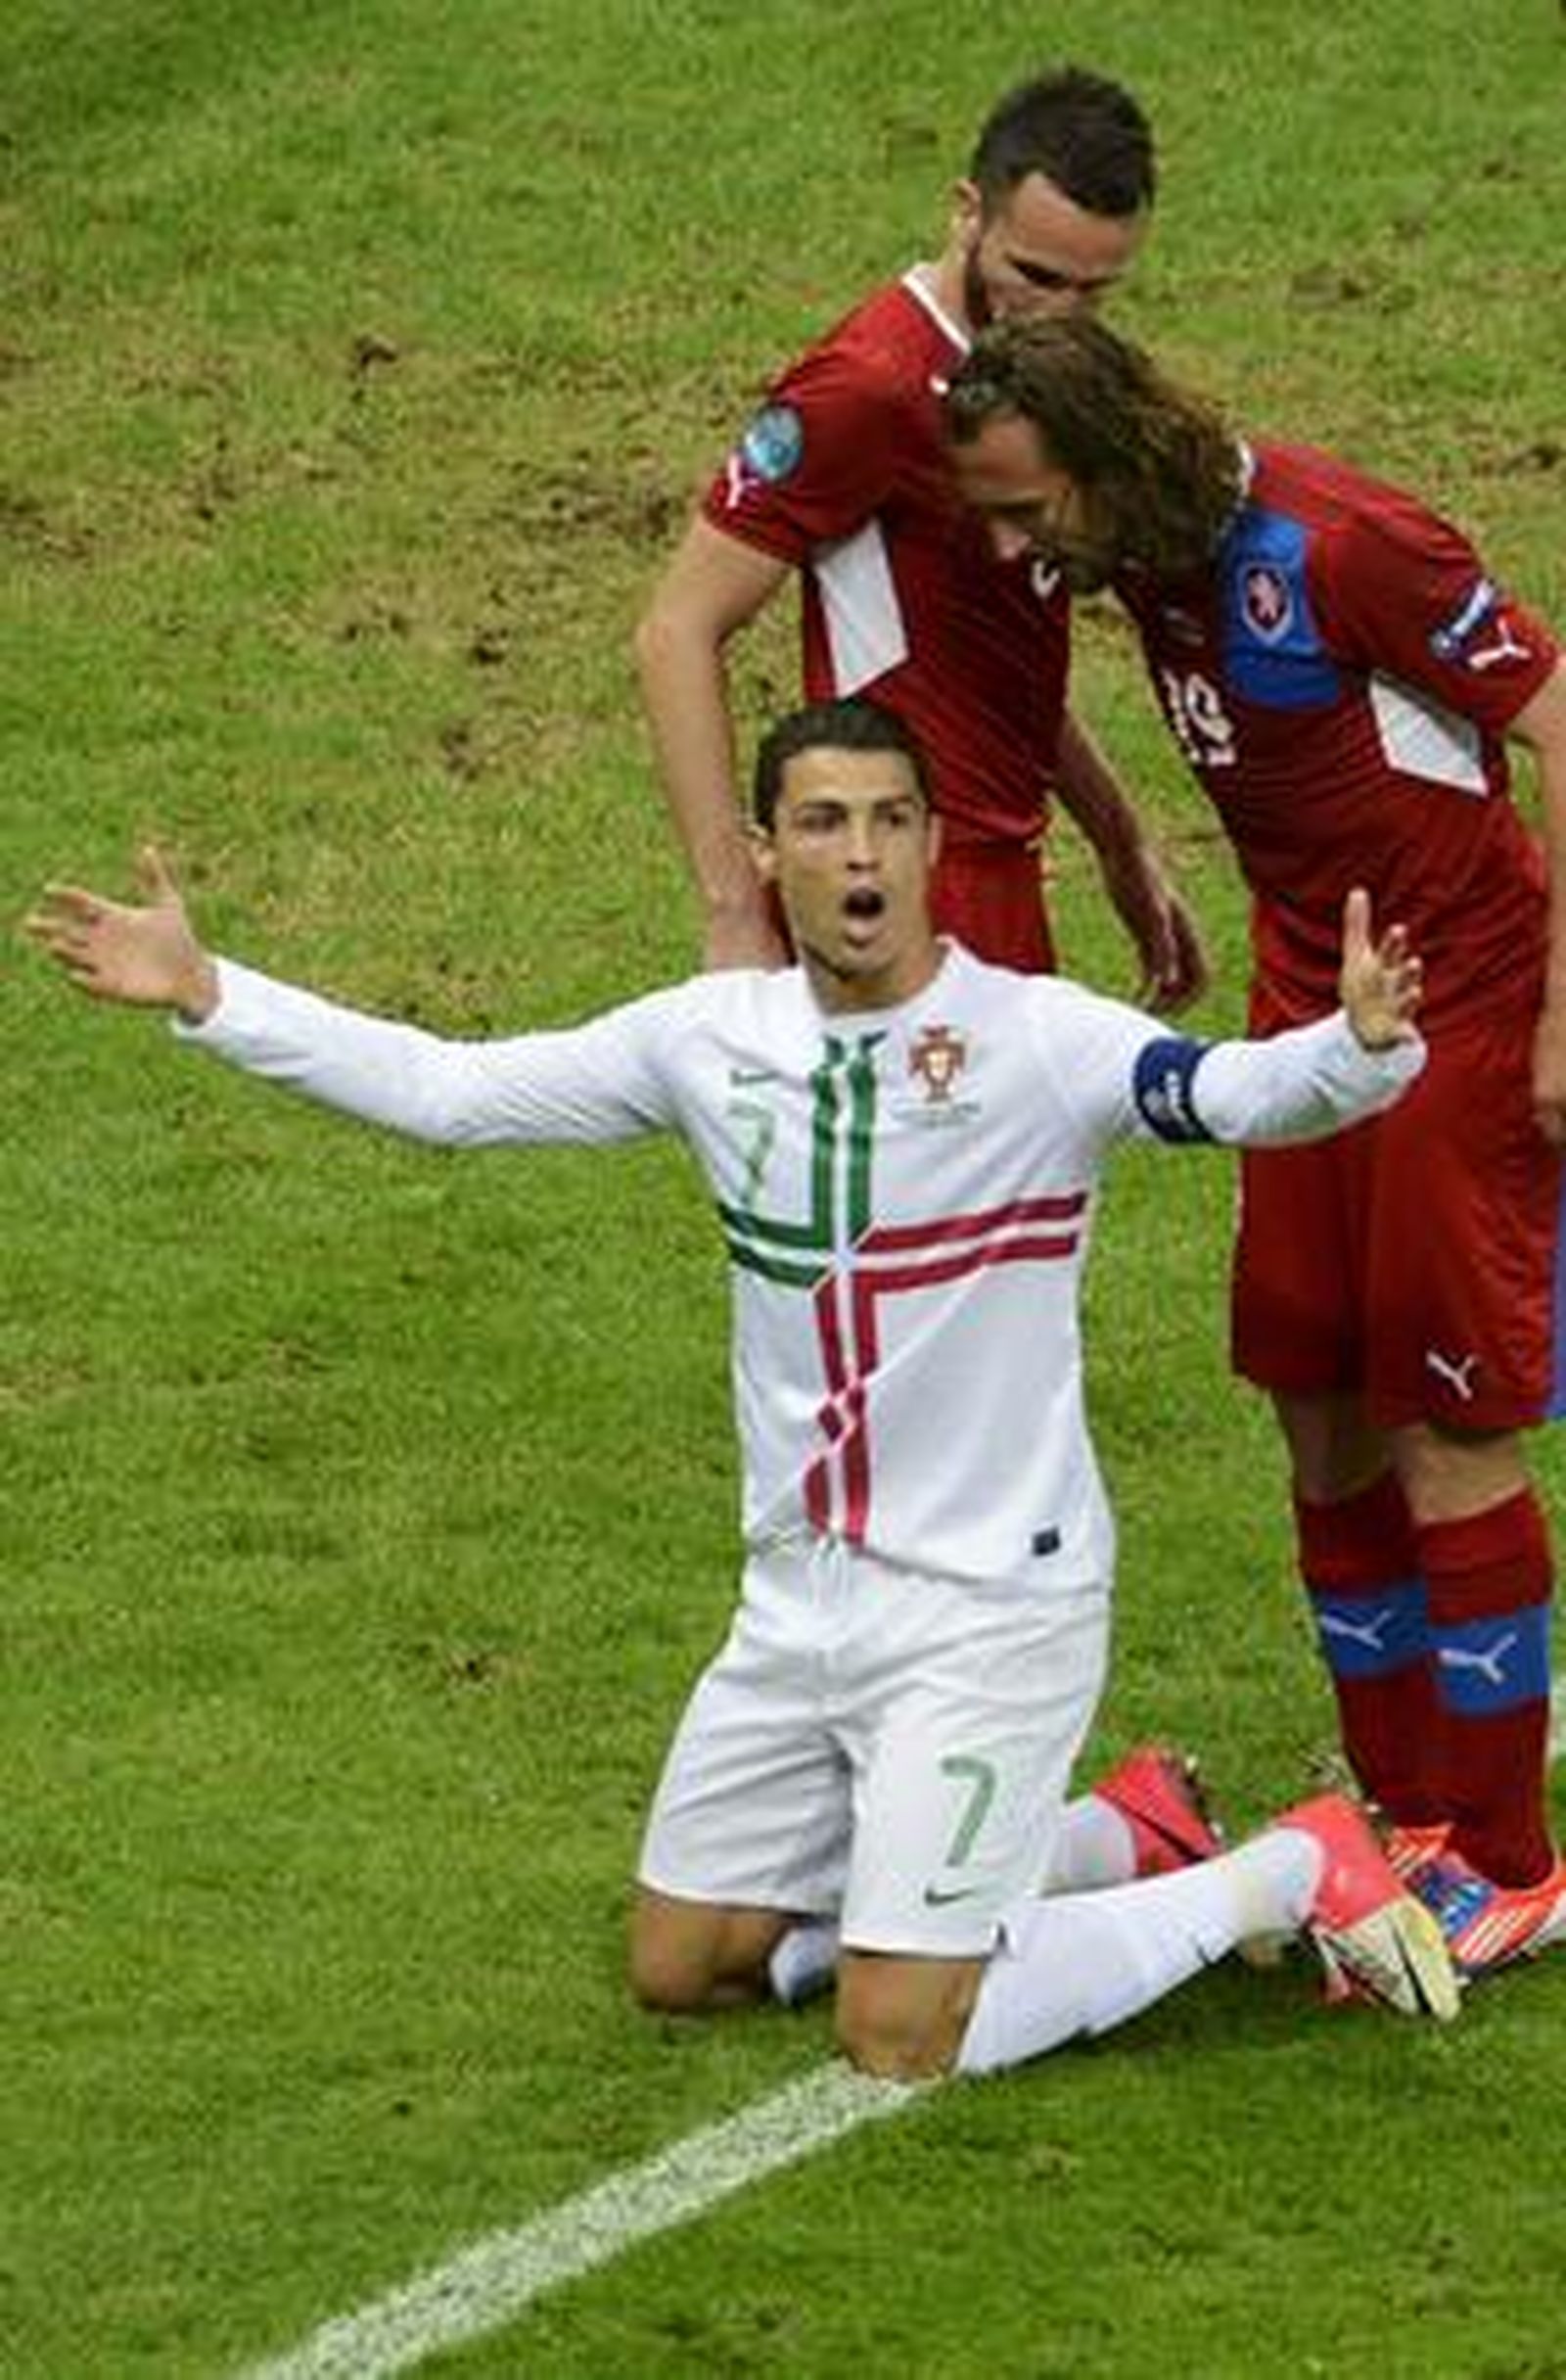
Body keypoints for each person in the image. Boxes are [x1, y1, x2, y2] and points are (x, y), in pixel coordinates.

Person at [25, 697, 1457, 2075]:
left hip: (988, 1612)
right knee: (685, 1963)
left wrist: (1357, 1049)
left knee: (904, 2036)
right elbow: (454, 1093)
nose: (861, 855)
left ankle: (1282, 1868)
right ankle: (1114, 1832)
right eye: (824, 823)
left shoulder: (1034, 1040)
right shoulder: (712, 1043)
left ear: (932, 844)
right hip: (796, 1606)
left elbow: (1226, 1091)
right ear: (767, 854)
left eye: (891, 821)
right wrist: (215, 993)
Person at [944, 313, 1566, 1980]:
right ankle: (1411, 1807)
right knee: (1318, 1400)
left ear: (1111, 453)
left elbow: (1560, 716)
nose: (1017, 548)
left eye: (1025, 509)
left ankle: (1511, 1859)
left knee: (1446, 1419)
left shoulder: (1349, 545)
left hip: (1464, 1005)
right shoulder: (1151, 558)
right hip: (1312, 1018)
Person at [634, 65, 1204, 1003]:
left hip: (996, 871)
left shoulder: (1033, 390)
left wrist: (1118, 834)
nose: (1058, 313)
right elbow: (674, 633)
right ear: (967, 212)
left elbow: (991, 649)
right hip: (902, 881)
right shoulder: (871, 385)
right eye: (1035, 276)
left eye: (1094, 291)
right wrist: (734, 912)